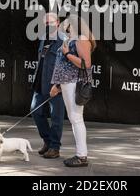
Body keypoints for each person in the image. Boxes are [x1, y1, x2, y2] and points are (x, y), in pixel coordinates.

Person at [49, 14, 95, 167]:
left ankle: (82, 156)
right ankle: (80, 154)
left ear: (72, 24)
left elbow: (86, 64)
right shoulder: (71, 39)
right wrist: (57, 85)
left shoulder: (81, 39)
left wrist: (67, 54)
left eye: (66, 24)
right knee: (74, 118)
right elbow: (64, 66)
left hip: (74, 83)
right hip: (67, 83)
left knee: (76, 118)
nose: (63, 26)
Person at [31, 12, 65, 159]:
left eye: (50, 23)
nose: (47, 26)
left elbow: (66, 65)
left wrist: (58, 85)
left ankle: (55, 147)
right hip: (40, 83)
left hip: (55, 85)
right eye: (45, 24)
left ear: (57, 23)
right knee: (35, 111)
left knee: (56, 116)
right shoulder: (43, 38)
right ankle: (47, 141)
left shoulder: (63, 40)